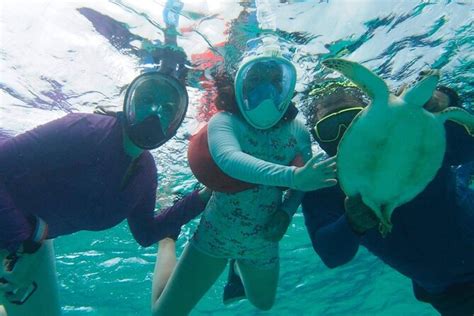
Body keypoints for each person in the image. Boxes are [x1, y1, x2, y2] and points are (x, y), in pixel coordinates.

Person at [0, 50, 210, 316]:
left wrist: (204, 196)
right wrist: (20, 241)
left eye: (168, 109)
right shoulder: (84, 130)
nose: (154, 115)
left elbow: (145, 232)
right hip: (19, 240)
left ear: (177, 122)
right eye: (146, 99)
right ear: (129, 101)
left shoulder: (145, 172)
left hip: (27, 245)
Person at [150, 49, 337, 315]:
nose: (265, 89)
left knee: (264, 303)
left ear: (285, 87)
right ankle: (167, 239)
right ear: (238, 85)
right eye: (256, 80)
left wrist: (286, 212)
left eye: (274, 80)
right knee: (163, 313)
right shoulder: (225, 121)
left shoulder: (297, 130)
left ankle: (236, 270)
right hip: (217, 233)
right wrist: (294, 177)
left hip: (264, 238)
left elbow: (306, 179)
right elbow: (230, 160)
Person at [301, 81, 474, 315]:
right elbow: (331, 254)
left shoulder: (412, 133)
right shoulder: (323, 186)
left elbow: (467, 147)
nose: (346, 136)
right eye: (330, 129)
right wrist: (351, 224)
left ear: (373, 114)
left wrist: (445, 99)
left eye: (354, 119)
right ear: (317, 138)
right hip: (452, 295)